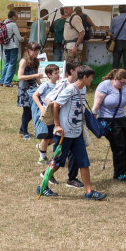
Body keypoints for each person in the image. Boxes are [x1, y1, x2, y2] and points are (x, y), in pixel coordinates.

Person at [43, 65, 107, 200]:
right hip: (64, 134)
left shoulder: (83, 89)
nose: (92, 80)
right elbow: (56, 105)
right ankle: (42, 187)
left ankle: (89, 192)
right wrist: (57, 125)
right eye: (91, 77)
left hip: (77, 133)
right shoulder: (70, 89)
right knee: (57, 162)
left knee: (84, 162)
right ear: (84, 77)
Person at [92, 69, 126, 181]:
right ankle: (118, 173)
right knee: (119, 146)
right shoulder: (104, 86)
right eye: (121, 83)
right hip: (107, 119)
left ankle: (125, 169)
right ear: (115, 79)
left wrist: (123, 85)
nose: (123, 85)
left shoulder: (122, 86)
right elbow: (96, 105)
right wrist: (93, 122)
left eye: (125, 83)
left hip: (121, 119)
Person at [31, 64, 61, 164]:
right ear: (49, 75)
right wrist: (41, 107)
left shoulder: (59, 85)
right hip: (48, 114)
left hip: (56, 113)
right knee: (47, 136)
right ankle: (42, 157)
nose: (58, 75)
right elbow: (35, 95)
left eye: (58, 72)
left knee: (57, 135)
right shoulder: (45, 85)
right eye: (55, 73)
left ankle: (41, 146)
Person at [17, 42, 43, 138]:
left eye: (38, 50)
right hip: (24, 88)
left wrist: (42, 86)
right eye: (35, 50)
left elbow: (37, 77)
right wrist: (34, 76)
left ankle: (22, 128)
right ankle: (25, 132)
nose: (37, 52)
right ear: (29, 50)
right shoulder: (23, 61)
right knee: (27, 110)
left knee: (33, 110)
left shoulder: (36, 61)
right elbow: (20, 77)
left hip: (33, 87)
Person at [0, 11, 21, 87]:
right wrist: (24, 39)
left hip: (5, 46)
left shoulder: (4, 23)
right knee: (12, 64)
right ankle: (7, 82)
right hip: (13, 46)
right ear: (13, 16)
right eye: (16, 16)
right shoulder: (13, 25)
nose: (17, 18)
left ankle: (2, 80)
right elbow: (19, 38)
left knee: (7, 63)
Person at [110, 5, 126, 70]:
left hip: (117, 43)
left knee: (115, 63)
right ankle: (125, 79)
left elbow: (111, 31)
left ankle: (114, 78)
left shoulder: (114, 19)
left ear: (119, 11)